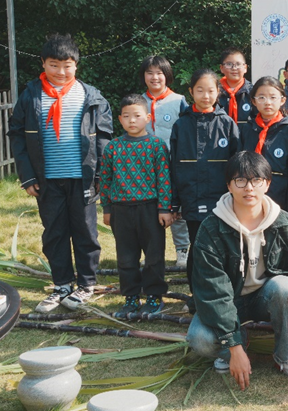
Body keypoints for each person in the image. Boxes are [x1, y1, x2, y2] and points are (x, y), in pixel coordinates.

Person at [186, 151, 288, 387]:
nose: (249, 188)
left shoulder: (283, 222)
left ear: (267, 184)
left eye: (256, 180)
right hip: (228, 301)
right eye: (240, 180)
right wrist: (233, 347)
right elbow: (214, 293)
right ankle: (234, 345)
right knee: (199, 339)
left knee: (286, 286)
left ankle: (285, 356)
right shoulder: (211, 229)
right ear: (229, 185)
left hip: (265, 297)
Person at [8, 34, 113, 312]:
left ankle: (86, 285)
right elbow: (17, 135)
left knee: (85, 232)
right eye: (54, 65)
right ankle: (62, 285)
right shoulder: (31, 95)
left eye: (67, 65)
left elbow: (103, 138)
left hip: (83, 178)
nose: (61, 72)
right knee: (54, 233)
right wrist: (28, 176)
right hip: (47, 180)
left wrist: (100, 176)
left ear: (76, 65)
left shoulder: (91, 96)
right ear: (43, 64)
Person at [100, 95, 174, 314]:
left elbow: (164, 179)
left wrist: (164, 208)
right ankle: (131, 297)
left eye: (137, 116)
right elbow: (105, 180)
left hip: (150, 209)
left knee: (154, 256)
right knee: (126, 257)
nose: (132, 120)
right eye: (126, 116)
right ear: (120, 119)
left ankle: (154, 296)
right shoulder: (113, 147)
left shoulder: (156, 145)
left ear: (148, 118)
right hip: (121, 210)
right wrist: (107, 208)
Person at [170, 69, 239, 291]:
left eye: (210, 90)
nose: (206, 96)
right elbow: (174, 166)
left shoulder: (227, 123)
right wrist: (175, 202)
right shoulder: (181, 125)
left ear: (218, 91)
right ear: (191, 92)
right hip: (191, 197)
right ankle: (196, 295)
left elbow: (236, 165)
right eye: (200, 90)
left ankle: (223, 292)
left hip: (222, 199)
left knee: (222, 245)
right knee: (197, 243)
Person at [140, 55, 191, 268]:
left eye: (159, 73)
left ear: (167, 75)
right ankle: (152, 252)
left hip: (173, 165)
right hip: (143, 167)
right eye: (150, 73)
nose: (155, 77)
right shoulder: (137, 101)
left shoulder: (178, 101)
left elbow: (187, 132)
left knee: (176, 209)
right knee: (149, 210)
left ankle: (182, 251)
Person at [239, 77, 288, 222]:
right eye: (261, 97)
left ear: (282, 100)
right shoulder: (247, 129)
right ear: (253, 101)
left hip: (279, 202)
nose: (267, 102)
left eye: (273, 97)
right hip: (249, 199)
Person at [218, 47, 253, 125]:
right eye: (229, 64)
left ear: (245, 68)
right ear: (221, 68)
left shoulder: (253, 92)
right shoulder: (215, 92)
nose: (234, 68)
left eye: (238, 64)